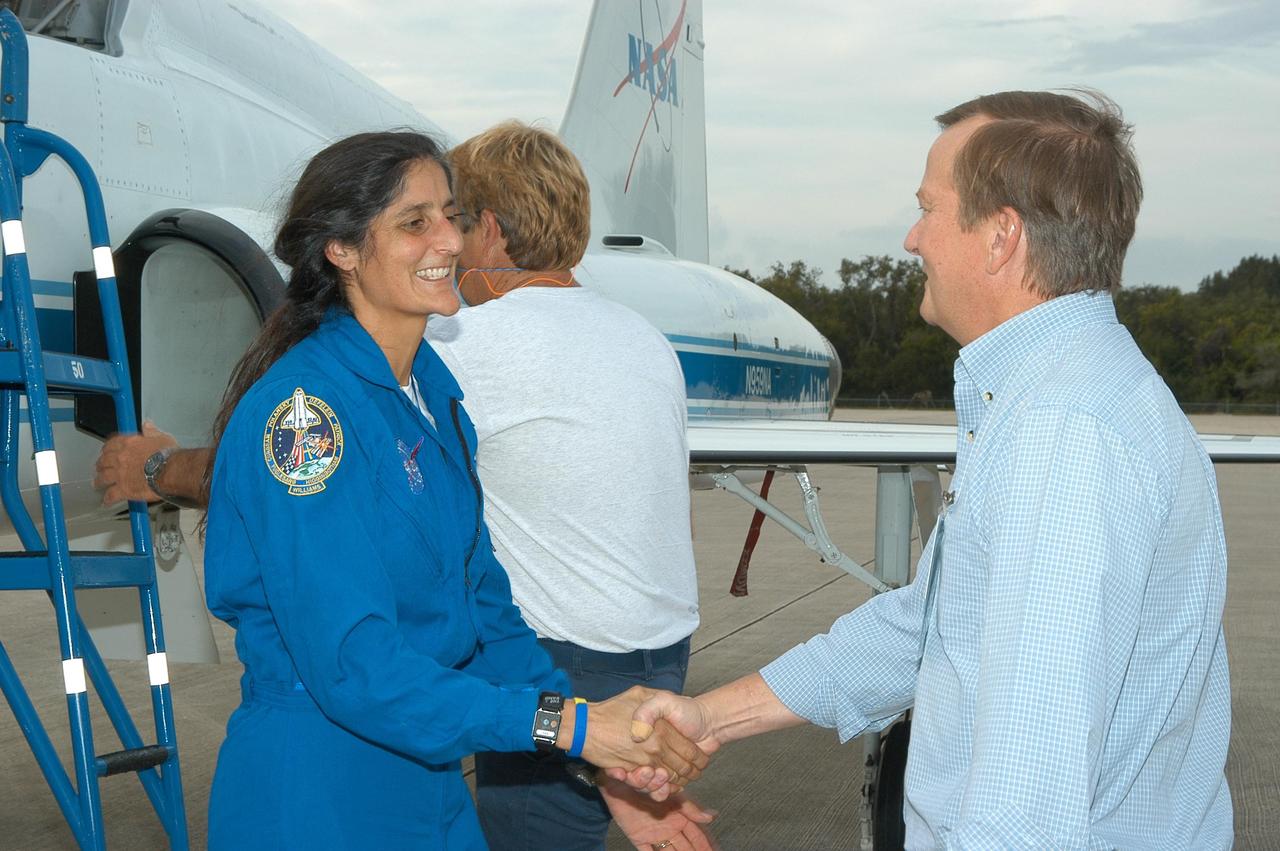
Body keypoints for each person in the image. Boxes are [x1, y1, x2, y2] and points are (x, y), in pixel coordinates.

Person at [626, 90, 1233, 849]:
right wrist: (712, 715)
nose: (913, 238)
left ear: (1000, 236)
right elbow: (931, 627)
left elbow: (1024, 805)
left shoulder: (1063, 438)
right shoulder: (1055, 398)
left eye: (930, 209)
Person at [95, 122, 709, 850]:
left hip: (429, 779)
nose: (448, 241)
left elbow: (488, 616)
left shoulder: (434, 397)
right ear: (343, 249)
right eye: (414, 223)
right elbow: (354, 664)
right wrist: (571, 724)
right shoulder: (305, 421)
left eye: (450, 215)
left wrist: (597, 746)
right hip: (321, 791)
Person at [428, 121, 702, 850]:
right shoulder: (643, 337)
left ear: (487, 231)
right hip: (662, 652)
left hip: (561, 661)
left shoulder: (467, 342)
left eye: (453, 223)